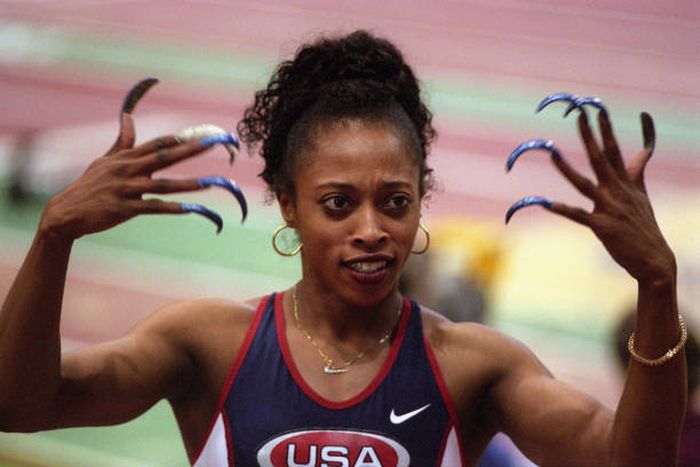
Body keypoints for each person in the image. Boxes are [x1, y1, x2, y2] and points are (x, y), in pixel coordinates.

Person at [0, 30, 687, 466]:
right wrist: (54, 236)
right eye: (338, 203)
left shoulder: (474, 366)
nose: (371, 228)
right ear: (288, 202)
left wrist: (657, 286)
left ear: (421, 200)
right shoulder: (207, 344)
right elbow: (21, 406)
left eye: (395, 201)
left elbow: (633, 459)